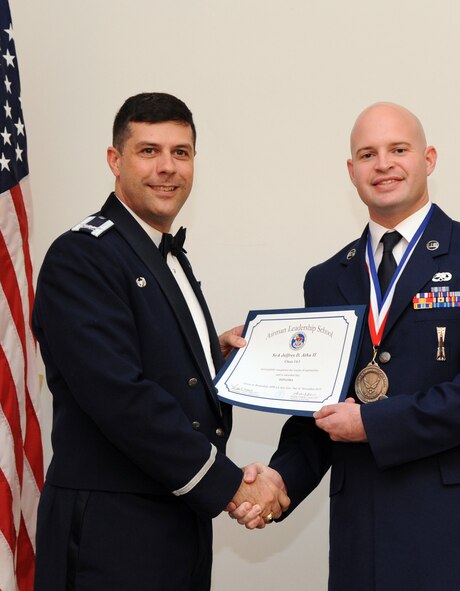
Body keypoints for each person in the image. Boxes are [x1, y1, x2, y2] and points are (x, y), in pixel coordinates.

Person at [230, 102, 460, 590]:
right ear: (351, 171)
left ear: (428, 158)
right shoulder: (327, 278)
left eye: (399, 149)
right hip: (367, 533)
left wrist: (372, 423)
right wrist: (278, 482)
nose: (384, 164)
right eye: (367, 154)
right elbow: (320, 408)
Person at [32, 92, 289, 591]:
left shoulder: (160, 252)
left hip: (173, 519)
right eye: (148, 151)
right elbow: (120, 395)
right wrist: (231, 484)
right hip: (111, 532)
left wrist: (214, 354)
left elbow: (141, 353)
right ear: (115, 160)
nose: (167, 168)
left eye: (181, 152)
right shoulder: (81, 256)